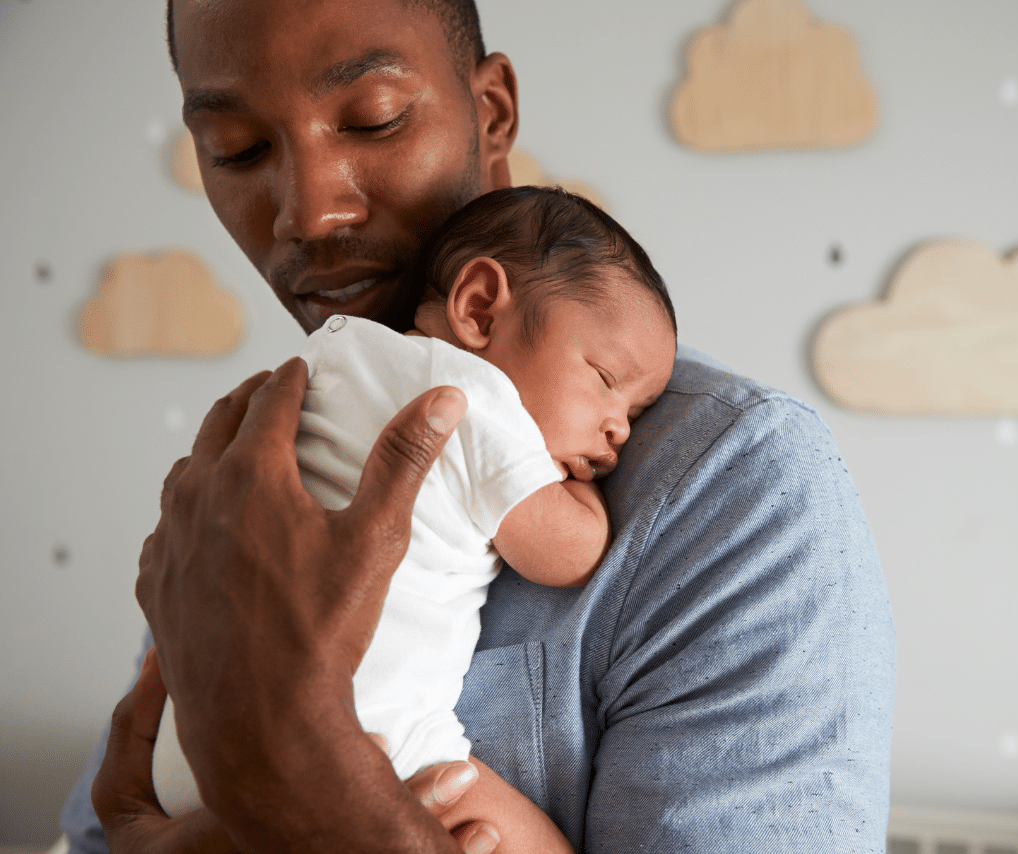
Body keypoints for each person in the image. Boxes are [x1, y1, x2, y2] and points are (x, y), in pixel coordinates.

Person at [60, 1, 896, 852]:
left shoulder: (735, 487)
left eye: (374, 119)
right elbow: (110, 822)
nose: (309, 214)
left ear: (491, 112)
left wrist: (314, 782)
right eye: (237, 148)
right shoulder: (257, 463)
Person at [150, 185, 678, 852]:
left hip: (187, 752)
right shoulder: (476, 399)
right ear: (480, 308)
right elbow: (567, 554)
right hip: (368, 740)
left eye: (634, 414)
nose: (618, 432)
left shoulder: (331, 358)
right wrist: (583, 497)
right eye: (606, 379)